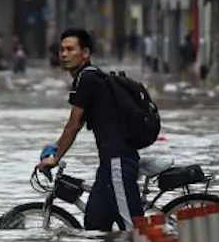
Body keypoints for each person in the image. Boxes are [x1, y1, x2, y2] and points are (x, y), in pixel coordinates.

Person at [35, 28, 143, 231]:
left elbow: (74, 125)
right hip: (107, 165)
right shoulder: (88, 78)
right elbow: (77, 123)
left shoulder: (87, 79)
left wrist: (56, 157)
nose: (64, 54)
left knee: (134, 232)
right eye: (61, 50)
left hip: (117, 161)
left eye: (70, 49)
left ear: (85, 53)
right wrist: (55, 146)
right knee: (95, 226)